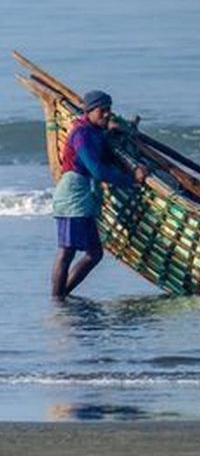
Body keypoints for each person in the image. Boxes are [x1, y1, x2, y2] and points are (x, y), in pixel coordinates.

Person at [51, 90, 147, 299]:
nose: (106, 114)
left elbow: (105, 154)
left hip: (83, 194)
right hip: (73, 194)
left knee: (92, 253)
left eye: (109, 110)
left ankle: (61, 296)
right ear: (89, 111)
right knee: (68, 250)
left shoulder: (94, 132)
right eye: (101, 110)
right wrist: (131, 180)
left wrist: (115, 132)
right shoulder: (82, 134)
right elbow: (97, 170)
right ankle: (58, 298)